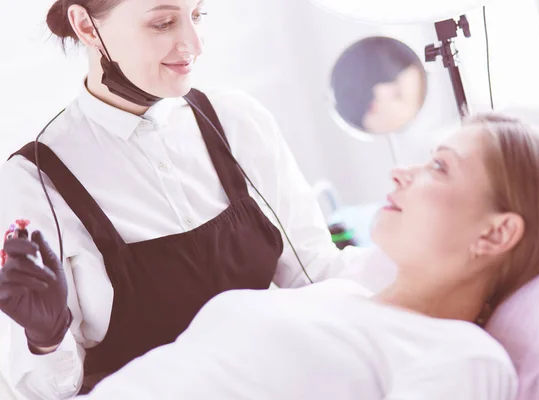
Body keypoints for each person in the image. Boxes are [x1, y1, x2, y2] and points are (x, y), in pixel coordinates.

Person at [0, 1, 371, 398]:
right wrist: (46, 339)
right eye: (163, 23)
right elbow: (45, 392)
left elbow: (316, 276)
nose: (194, 43)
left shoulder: (237, 121)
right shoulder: (36, 180)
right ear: (87, 28)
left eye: (197, 15)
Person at [76, 113, 539, 400]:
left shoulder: (461, 357)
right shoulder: (341, 293)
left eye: (439, 167)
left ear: (496, 233)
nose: (399, 174)